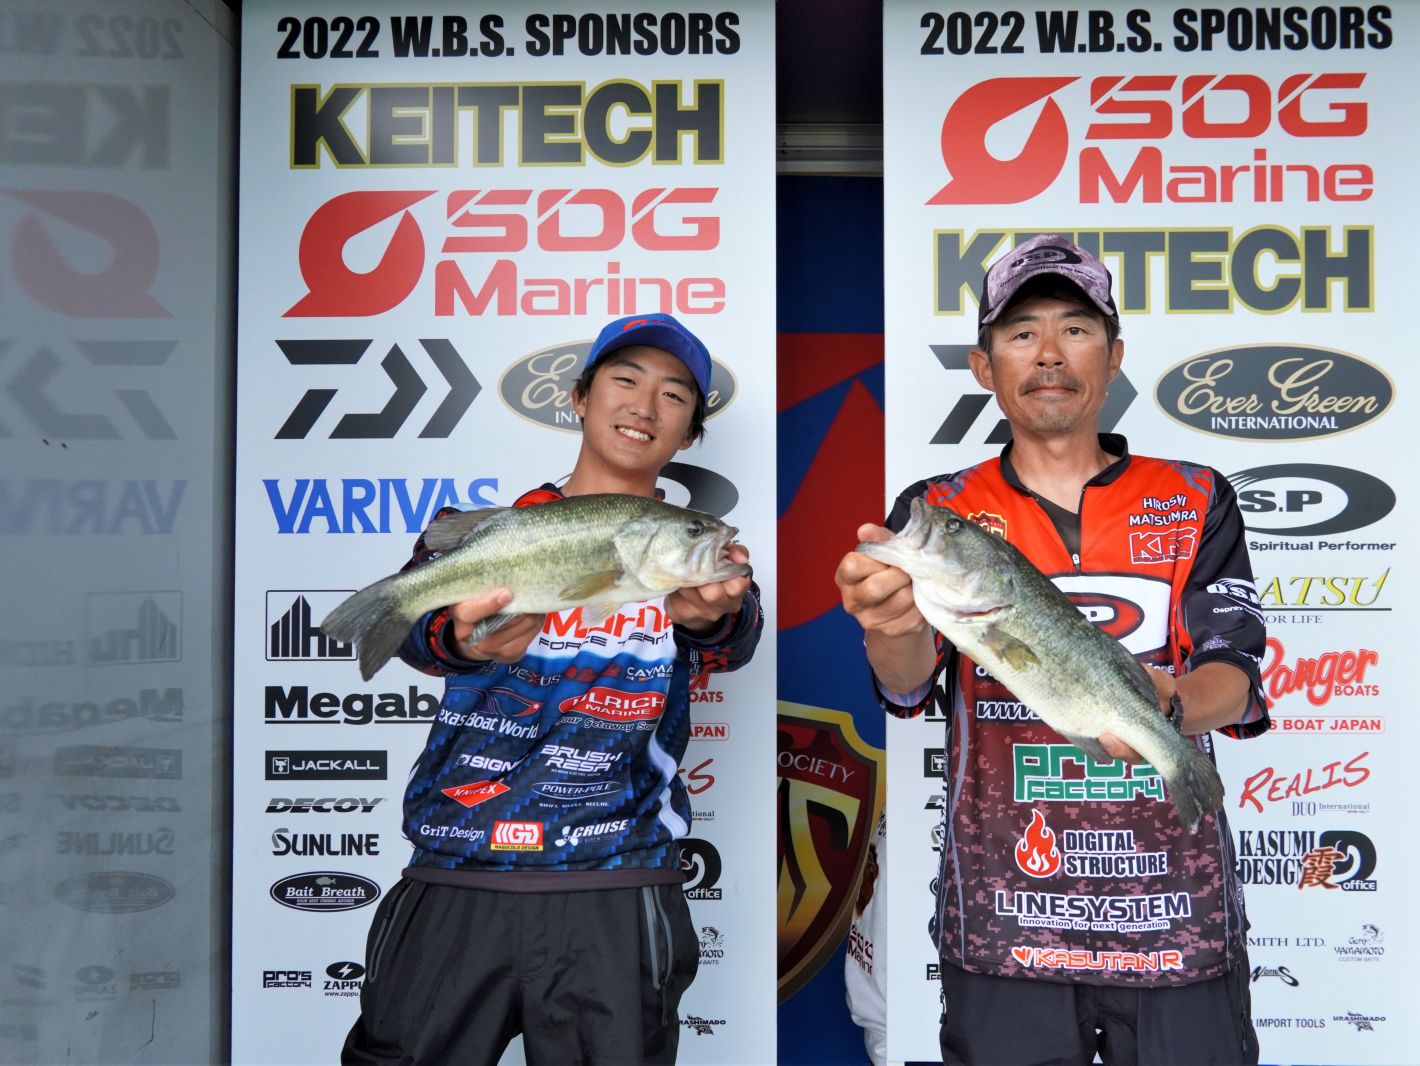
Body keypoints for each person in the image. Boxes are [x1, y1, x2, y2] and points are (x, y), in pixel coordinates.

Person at [835, 236, 1269, 1066]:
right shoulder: (939, 509)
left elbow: (1237, 676)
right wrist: (890, 629)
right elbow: (908, 688)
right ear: (983, 365)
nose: (1048, 354)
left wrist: (1165, 704)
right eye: (1021, 332)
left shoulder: (1196, 496)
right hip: (1004, 912)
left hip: (1176, 910)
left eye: (1074, 329)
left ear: (1113, 356)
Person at [343, 313, 762, 1066]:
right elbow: (418, 633)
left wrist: (711, 618)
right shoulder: (499, 529)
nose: (644, 405)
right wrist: (463, 642)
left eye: (673, 396)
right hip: (458, 868)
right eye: (625, 380)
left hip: (619, 881)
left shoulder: (701, 557)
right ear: (579, 398)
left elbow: (733, 638)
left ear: (690, 434)